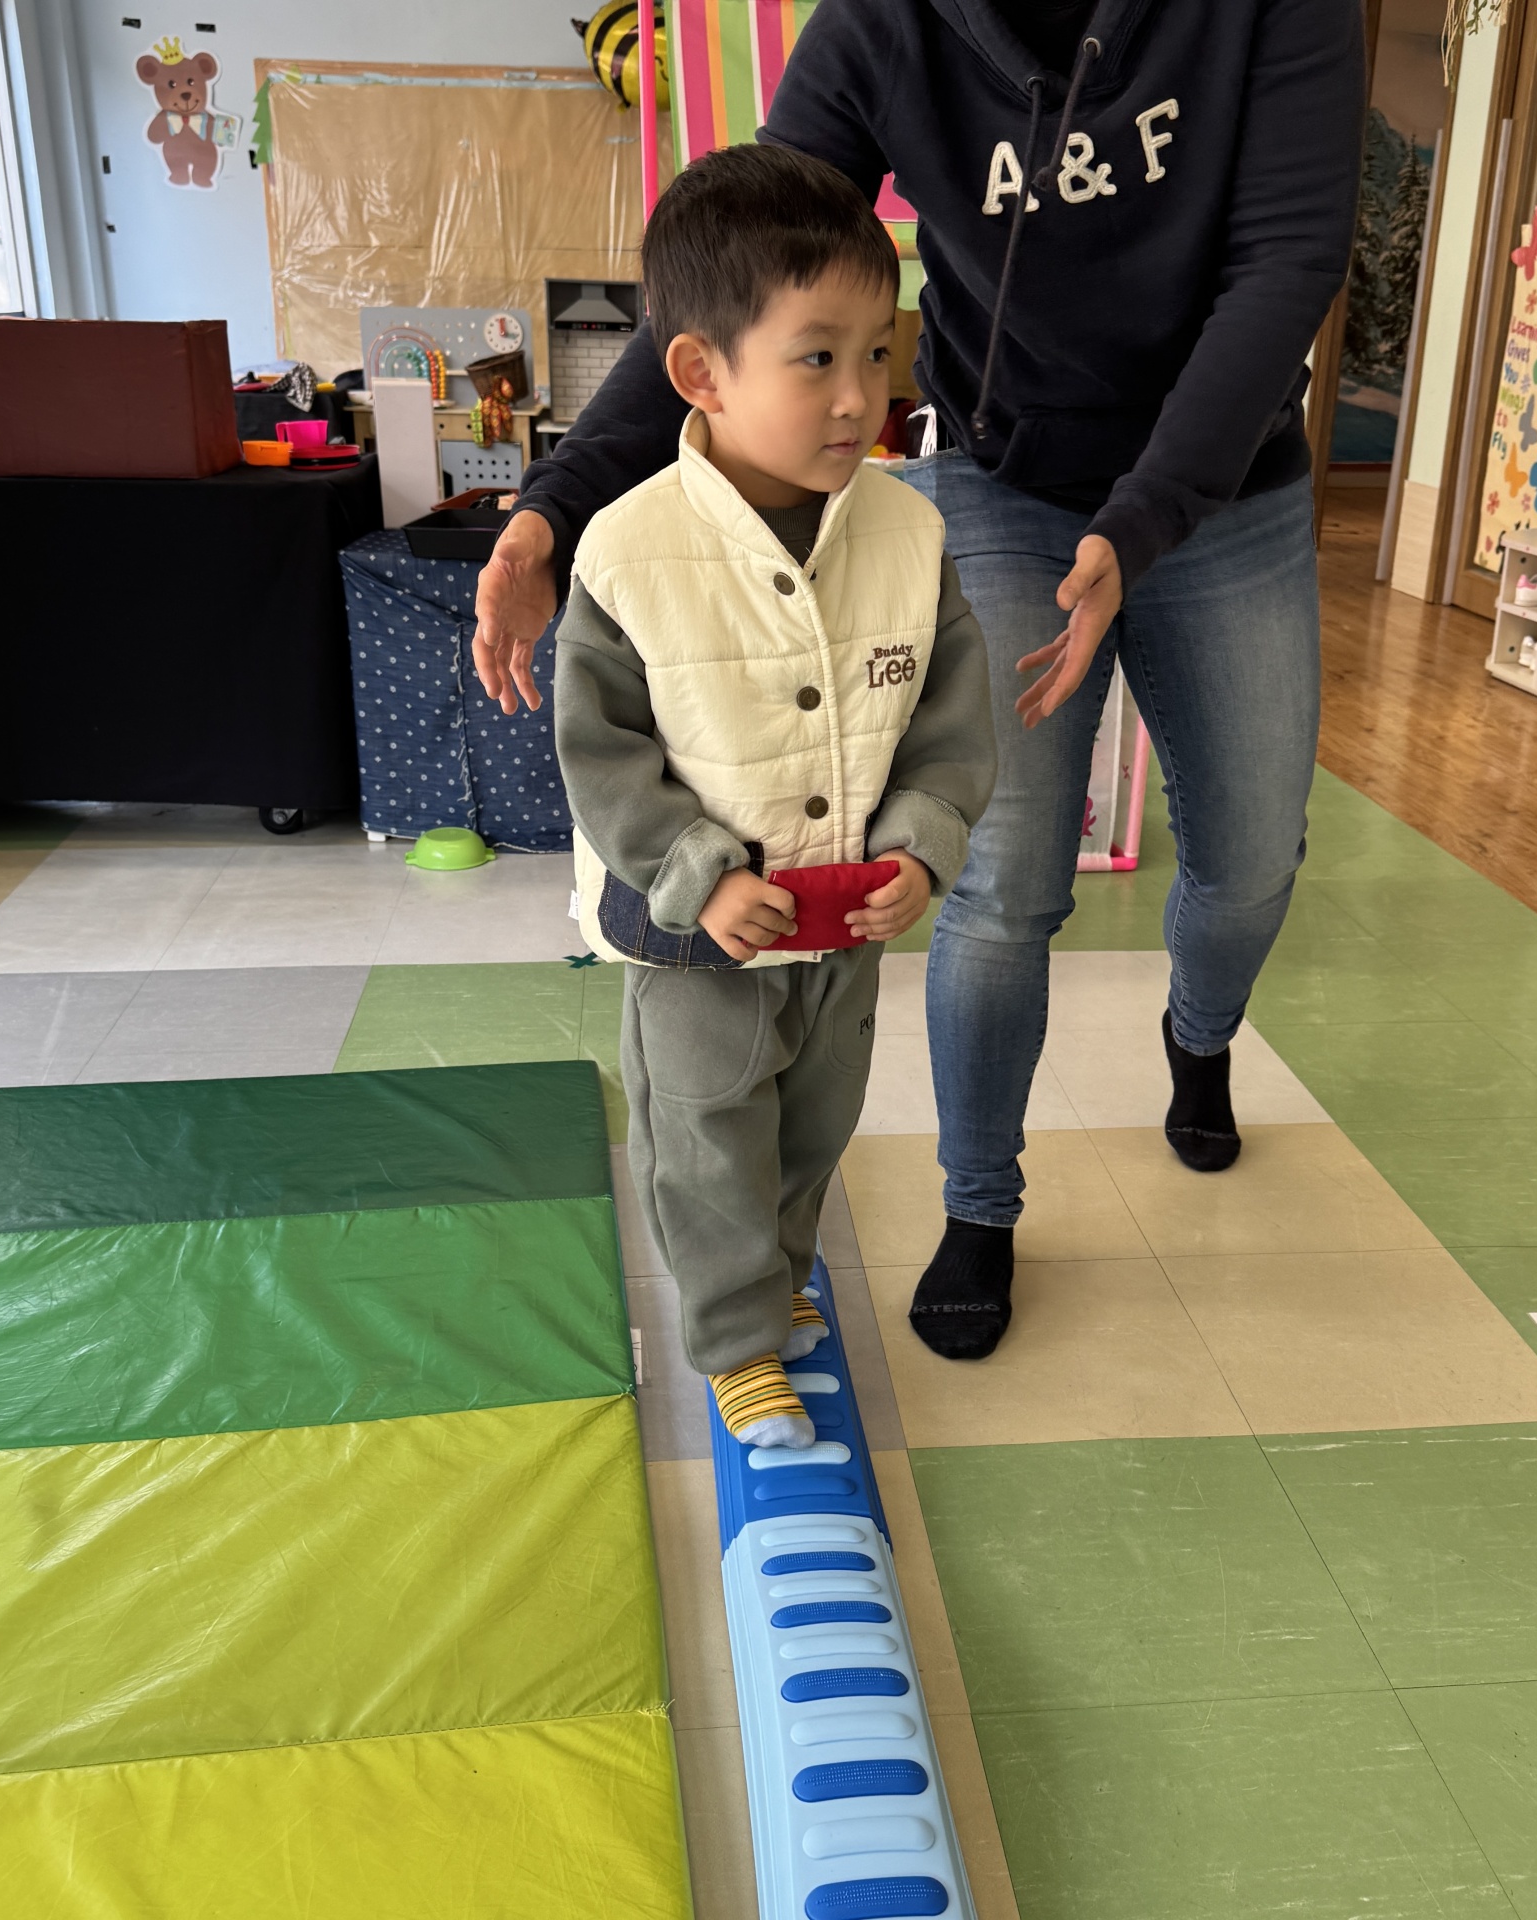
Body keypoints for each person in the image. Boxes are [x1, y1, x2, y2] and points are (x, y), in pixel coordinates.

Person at [478, 0, 1364, 1365]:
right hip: (1005, 473)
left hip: (1223, 482)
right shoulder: (887, 24)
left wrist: (1141, 521)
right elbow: (737, 280)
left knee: (1250, 861)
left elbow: (1288, 259)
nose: (849, 387)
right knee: (1003, 885)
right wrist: (553, 507)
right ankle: (981, 1203)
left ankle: (1202, 1032)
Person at [551, 144, 996, 1448]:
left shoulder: (909, 535)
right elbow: (599, 750)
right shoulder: (630, 550)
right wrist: (696, 873)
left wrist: (920, 849)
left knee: (812, 1125)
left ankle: (778, 1279)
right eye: (817, 358)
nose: (861, 397)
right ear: (702, 372)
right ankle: (735, 1338)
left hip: (841, 923)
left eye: (879, 353)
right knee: (706, 1139)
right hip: (696, 935)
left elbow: (950, 724)